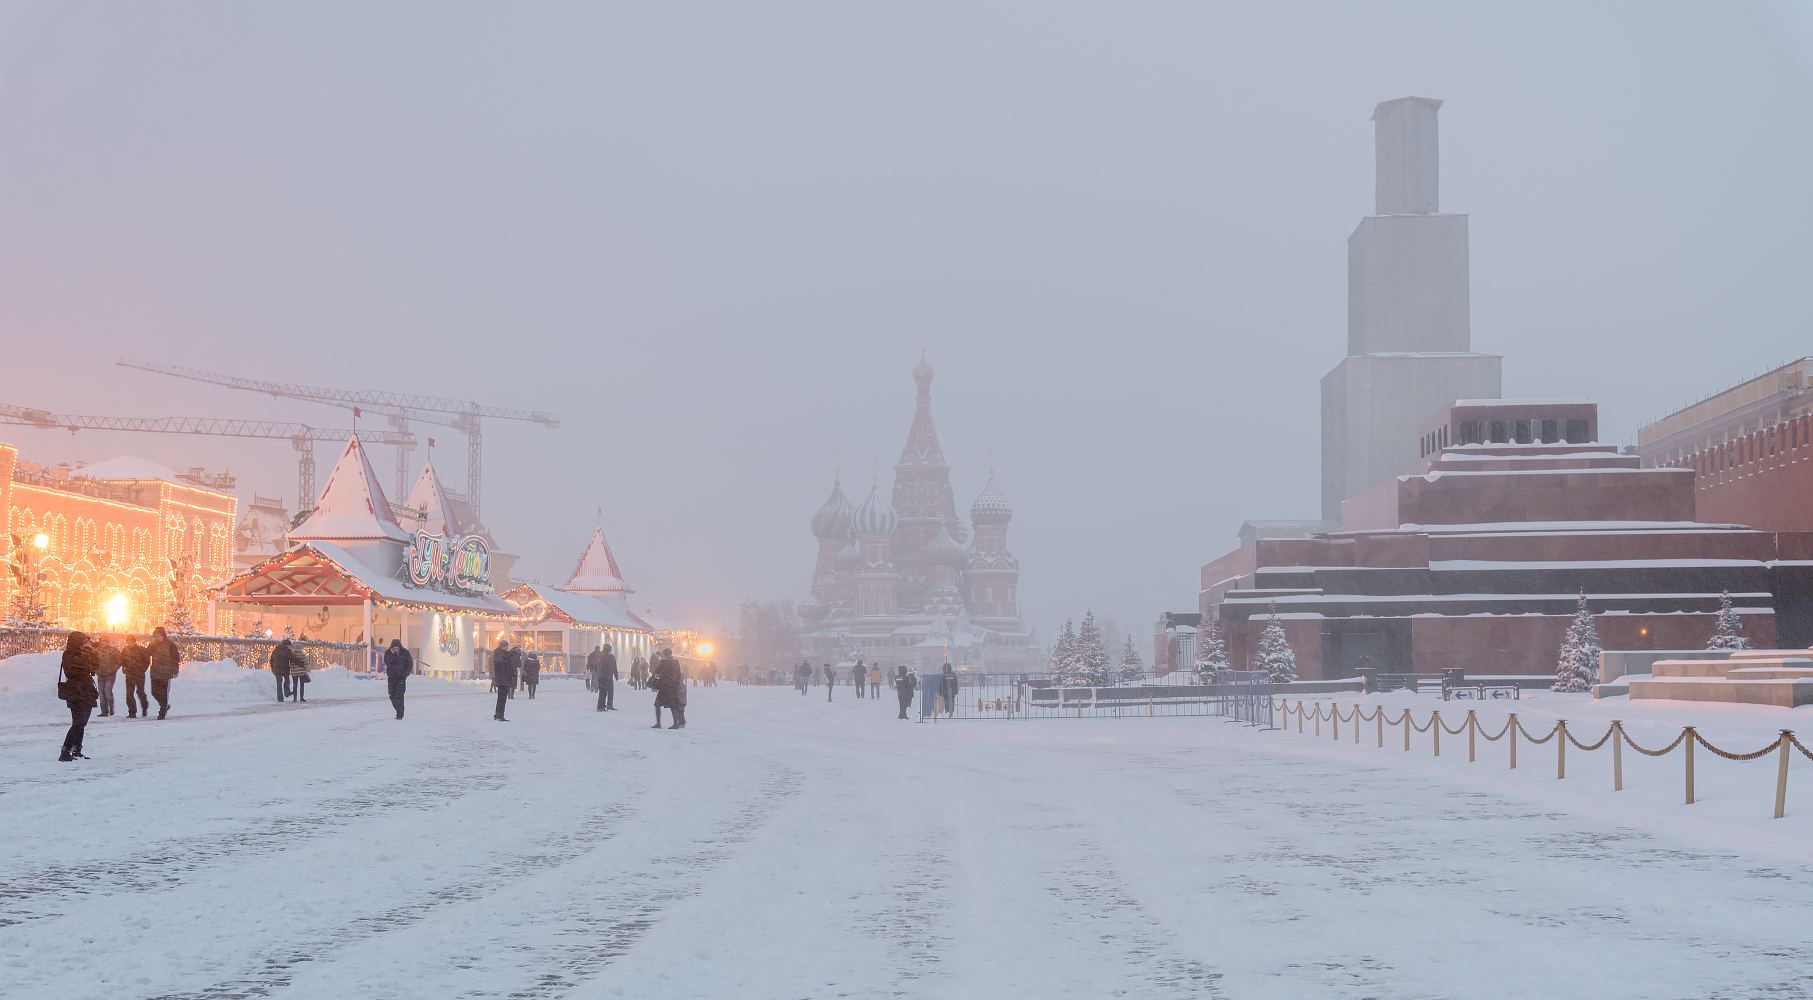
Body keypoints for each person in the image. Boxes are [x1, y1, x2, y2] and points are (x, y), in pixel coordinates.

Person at [57, 631, 98, 761]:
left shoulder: (83, 654)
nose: (85, 645)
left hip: (87, 691)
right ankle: (65, 750)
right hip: (76, 691)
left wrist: (94, 653)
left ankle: (77, 749)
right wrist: (86, 652)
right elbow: (75, 667)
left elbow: (95, 668)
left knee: (82, 722)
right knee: (79, 722)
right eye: (83, 642)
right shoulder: (69, 654)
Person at [147, 626, 179, 720]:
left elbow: (175, 658)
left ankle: (162, 711)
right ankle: (164, 705)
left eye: (158, 636)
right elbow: (147, 654)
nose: (157, 638)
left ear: (163, 636)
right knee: (154, 692)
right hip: (155, 671)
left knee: (163, 692)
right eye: (155, 636)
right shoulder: (153, 645)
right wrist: (151, 645)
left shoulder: (170, 645)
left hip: (165, 671)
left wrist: (175, 670)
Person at [652, 647, 687, 729]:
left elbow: (657, 671)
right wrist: (677, 683)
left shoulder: (664, 662)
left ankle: (658, 723)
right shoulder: (676, 662)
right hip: (673, 687)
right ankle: (675, 723)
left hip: (664, 686)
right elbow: (678, 674)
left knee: (657, 704)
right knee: (673, 705)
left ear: (664, 655)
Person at [383, 638, 413, 719]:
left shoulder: (405, 653)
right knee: (392, 696)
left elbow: (409, 664)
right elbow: (386, 662)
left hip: (401, 678)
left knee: (399, 696)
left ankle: (400, 715)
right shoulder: (388, 653)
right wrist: (393, 654)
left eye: (397, 648)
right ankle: (398, 710)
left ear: (400, 647)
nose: (396, 650)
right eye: (394, 648)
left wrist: (405, 675)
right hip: (391, 677)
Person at [121, 635, 149, 718]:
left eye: (131, 642)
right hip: (129, 674)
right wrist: (124, 669)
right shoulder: (125, 650)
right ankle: (132, 712)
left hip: (139, 674)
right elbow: (122, 660)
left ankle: (144, 707)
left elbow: (146, 660)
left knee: (140, 692)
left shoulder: (141, 649)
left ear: (134, 642)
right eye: (128, 642)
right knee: (129, 694)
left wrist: (142, 669)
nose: (129, 644)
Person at [491, 638, 517, 721]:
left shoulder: (504, 654)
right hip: (502, 679)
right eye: (506, 646)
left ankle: (498, 714)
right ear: (502, 646)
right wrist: (513, 652)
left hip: (504, 679)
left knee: (502, 698)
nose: (507, 648)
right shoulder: (498, 654)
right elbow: (504, 659)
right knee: (501, 699)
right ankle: (499, 715)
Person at [93, 637, 120, 717]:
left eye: (104, 641)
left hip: (110, 674)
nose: (103, 643)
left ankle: (111, 708)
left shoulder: (113, 650)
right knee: (101, 693)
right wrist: (96, 670)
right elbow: (94, 660)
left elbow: (119, 661)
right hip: (101, 674)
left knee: (107, 691)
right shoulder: (98, 650)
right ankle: (104, 711)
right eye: (101, 641)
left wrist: (113, 670)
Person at [269, 637, 295, 702]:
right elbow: (293, 659)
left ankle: (280, 698)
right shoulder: (287, 650)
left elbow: (271, 660)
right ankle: (287, 693)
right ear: (287, 645)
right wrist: (300, 663)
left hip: (277, 669)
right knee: (287, 681)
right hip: (285, 668)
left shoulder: (276, 649)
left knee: (279, 683)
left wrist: (273, 668)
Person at [596, 642, 618, 711]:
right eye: (608, 650)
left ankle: (609, 705)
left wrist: (616, 674)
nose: (609, 651)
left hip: (609, 677)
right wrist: (600, 675)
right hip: (603, 677)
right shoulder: (602, 656)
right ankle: (600, 706)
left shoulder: (611, 657)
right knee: (603, 692)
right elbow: (602, 667)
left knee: (611, 691)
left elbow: (614, 666)